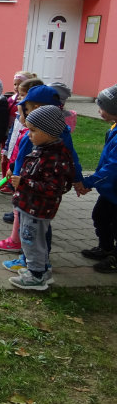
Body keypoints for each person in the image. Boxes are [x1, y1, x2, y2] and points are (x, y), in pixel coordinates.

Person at [7, 105, 75, 291]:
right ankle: (42, 271)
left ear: (49, 132)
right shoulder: (44, 149)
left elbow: (52, 188)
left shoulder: (54, 157)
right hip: (30, 205)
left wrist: (23, 183)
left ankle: (36, 276)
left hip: (37, 209)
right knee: (36, 241)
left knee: (31, 242)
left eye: (34, 130)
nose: (29, 134)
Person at [80, 84, 117, 274]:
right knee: (100, 216)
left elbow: (112, 168)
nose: (99, 111)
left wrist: (89, 181)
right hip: (110, 190)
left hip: (113, 187)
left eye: (102, 107)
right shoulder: (114, 128)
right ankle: (106, 247)